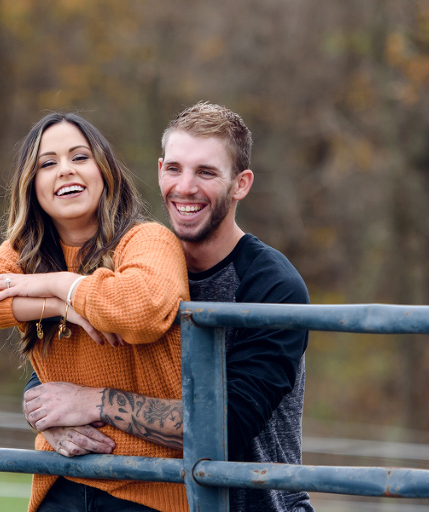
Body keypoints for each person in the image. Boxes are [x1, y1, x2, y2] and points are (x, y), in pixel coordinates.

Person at [24, 102, 314, 511]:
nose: (185, 187)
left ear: (241, 184)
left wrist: (94, 402)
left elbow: (225, 428)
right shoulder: (132, 262)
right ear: (160, 171)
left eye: (207, 172)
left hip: (254, 504)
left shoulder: (271, 286)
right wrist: (49, 417)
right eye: (175, 169)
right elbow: (56, 373)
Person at [0, 112, 190, 512]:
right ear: (32, 185)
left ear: (104, 170)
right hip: (60, 480)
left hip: (149, 487)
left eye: (79, 157)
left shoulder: (146, 240)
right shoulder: (25, 255)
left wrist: (58, 285)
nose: (65, 171)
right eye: (47, 163)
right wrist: (60, 307)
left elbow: (140, 309)